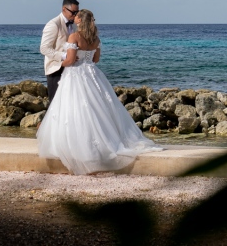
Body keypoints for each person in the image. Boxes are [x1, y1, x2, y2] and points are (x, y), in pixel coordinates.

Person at [37, 9, 163, 174]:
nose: (75, 18)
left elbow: (68, 61)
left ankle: (81, 148)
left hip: (76, 74)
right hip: (93, 74)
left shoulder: (74, 37)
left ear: (81, 20)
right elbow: (95, 59)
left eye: (77, 16)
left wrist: (66, 60)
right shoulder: (95, 38)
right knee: (99, 108)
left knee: (76, 109)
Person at [40, 0, 80, 104]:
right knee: (55, 103)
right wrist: (65, 56)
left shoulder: (75, 25)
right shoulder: (53, 24)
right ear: (64, 9)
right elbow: (44, 48)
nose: (75, 15)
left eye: (77, 12)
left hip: (72, 70)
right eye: (73, 12)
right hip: (56, 68)